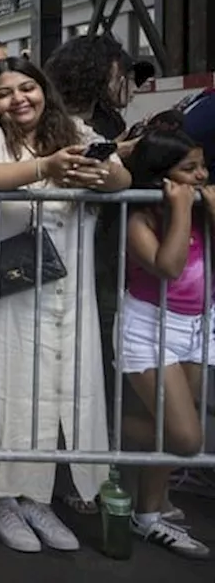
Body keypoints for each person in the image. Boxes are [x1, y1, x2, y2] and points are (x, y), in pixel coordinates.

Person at [0, 56, 129, 553]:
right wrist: (44, 167)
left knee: (52, 389)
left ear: (44, 89)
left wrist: (94, 173)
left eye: (28, 87)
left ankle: (37, 498)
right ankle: (0, 496)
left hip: (65, 286)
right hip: (6, 288)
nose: (18, 99)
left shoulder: (72, 128)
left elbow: (122, 180)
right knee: (4, 386)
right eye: (5, 92)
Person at [117, 126, 212, 559]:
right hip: (149, 327)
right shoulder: (141, 217)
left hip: (197, 328)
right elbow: (169, 267)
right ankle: (98, 433)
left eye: (202, 166)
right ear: (162, 178)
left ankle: (148, 514)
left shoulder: (204, 209)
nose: (201, 176)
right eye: (188, 169)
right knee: (185, 438)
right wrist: (180, 213)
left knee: (166, 430)